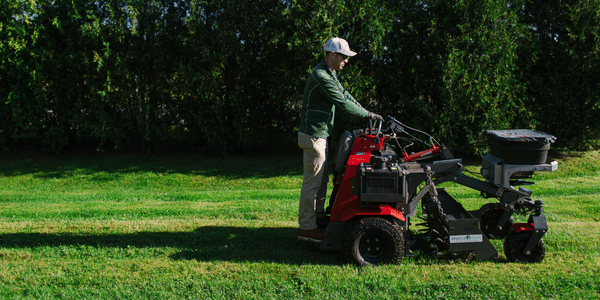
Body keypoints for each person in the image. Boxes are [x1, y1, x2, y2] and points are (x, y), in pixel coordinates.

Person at [297, 37, 383, 242]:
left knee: (322, 181)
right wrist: (367, 115)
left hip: (321, 136)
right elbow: (342, 102)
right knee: (312, 183)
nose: (346, 60)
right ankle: (306, 227)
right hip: (313, 137)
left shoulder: (330, 73)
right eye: (344, 56)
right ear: (332, 54)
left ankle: (317, 219)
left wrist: (367, 111)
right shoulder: (320, 75)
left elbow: (345, 94)